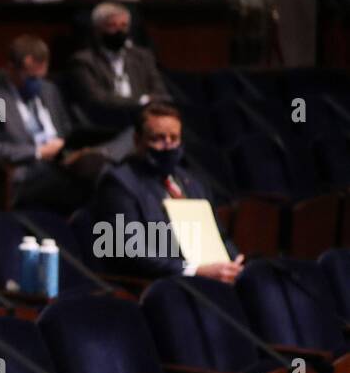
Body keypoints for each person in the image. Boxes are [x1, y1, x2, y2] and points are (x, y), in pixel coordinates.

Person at [0, 35, 123, 213]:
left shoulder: (48, 91)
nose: (37, 83)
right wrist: (38, 152)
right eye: (30, 77)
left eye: (41, 76)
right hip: (28, 171)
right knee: (97, 180)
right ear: (11, 69)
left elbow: (66, 131)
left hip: (64, 162)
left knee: (112, 167)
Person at [92, 103, 243, 282]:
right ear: (137, 140)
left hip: (210, 277)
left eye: (174, 138)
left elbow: (219, 234)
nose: (168, 145)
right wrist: (194, 270)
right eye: (158, 138)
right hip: (161, 283)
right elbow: (130, 251)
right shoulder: (119, 183)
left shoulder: (192, 182)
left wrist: (234, 261)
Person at [68, 2, 170, 114]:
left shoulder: (142, 57)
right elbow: (97, 98)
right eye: (112, 26)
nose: (119, 31)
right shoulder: (84, 61)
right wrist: (141, 101)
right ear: (97, 30)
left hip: (143, 117)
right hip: (106, 118)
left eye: (124, 25)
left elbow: (160, 93)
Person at [70, 0, 152, 51]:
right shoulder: (83, 19)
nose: (119, 29)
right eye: (111, 25)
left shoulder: (132, 13)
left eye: (123, 25)